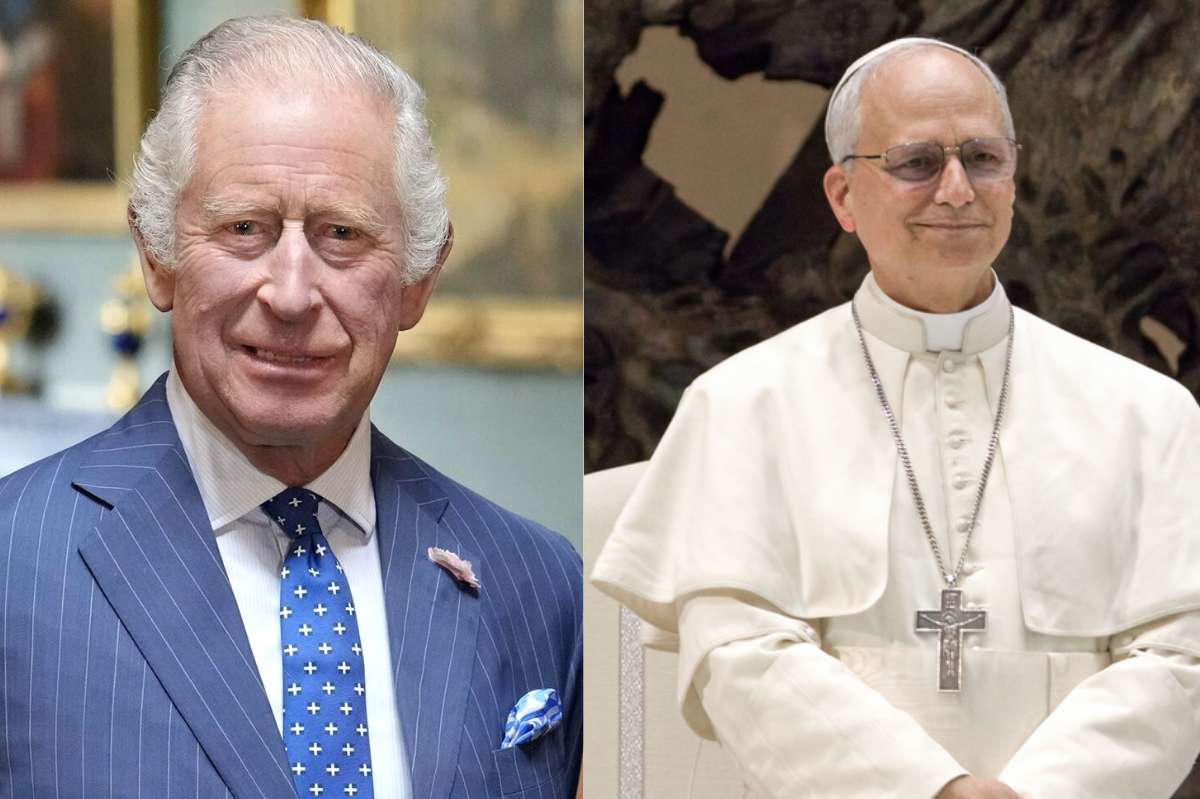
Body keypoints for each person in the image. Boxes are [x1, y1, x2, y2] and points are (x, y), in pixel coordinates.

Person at [592, 37, 1200, 799]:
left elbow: (1183, 654)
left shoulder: (1147, 413)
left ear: (1014, 176)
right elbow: (739, 651)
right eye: (917, 163)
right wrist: (931, 790)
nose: (956, 190)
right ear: (844, 197)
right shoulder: (741, 405)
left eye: (983, 158)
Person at [0, 16, 581, 799]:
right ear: (158, 256)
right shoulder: (16, 564)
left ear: (417, 281)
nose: (293, 292)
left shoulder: (539, 584)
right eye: (246, 229)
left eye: (343, 234)